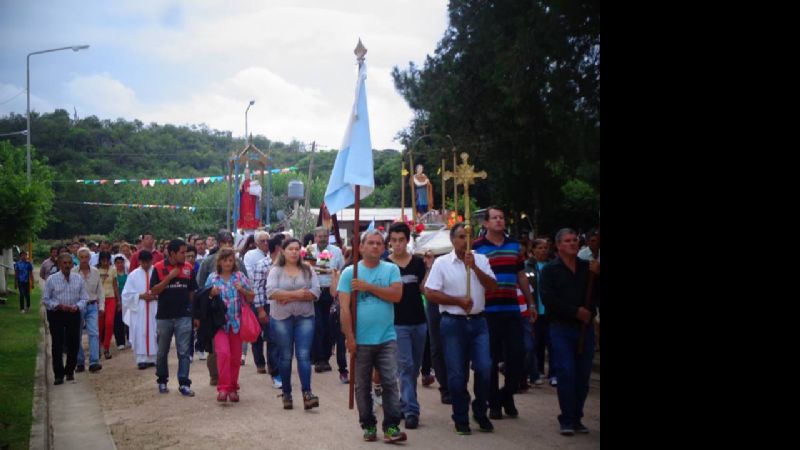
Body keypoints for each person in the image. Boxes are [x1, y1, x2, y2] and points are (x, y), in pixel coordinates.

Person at [425, 223, 497, 435]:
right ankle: (461, 416)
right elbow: (430, 292)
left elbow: (493, 286)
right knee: (457, 374)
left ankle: (480, 410)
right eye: (460, 237)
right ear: (452, 239)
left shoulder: (481, 259)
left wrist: (474, 267)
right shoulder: (441, 263)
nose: (464, 241)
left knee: (485, 368)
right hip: (452, 323)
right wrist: (456, 301)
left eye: (468, 236)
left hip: (478, 322)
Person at [338, 230, 407, 443]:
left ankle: (392, 426)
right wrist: (349, 337)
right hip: (361, 340)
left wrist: (368, 287)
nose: (375, 246)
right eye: (371, 243)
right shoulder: (349, 273)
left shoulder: (391, 269)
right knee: (361, 385)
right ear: (361, 247)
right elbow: (344, 308)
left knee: (389, 381)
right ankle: (368, 425)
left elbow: (396, 295)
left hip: (386, 337)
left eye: (379, 243)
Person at [472, 206, 535, 420]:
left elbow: (521, 276)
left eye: (501, 217)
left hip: (511, 309)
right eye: (494, 218)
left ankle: (506, 393)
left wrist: (531, 302)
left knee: (520, 354)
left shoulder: (514, 246)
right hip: (487, 311)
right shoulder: (477, 247)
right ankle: (494, 403)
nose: (499, 221)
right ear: (486, 223)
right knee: (489, 359)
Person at [541, 228, 600, 436]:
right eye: (568, 241)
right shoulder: (550, 270)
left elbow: (595, 296)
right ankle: (566, 418)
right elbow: (549, 300)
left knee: (583, 375)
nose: (573, 243)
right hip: (561, 328)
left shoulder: (589, 269)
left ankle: (576, 416)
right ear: (558, 245)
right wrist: (576, 312)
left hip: (585, 329)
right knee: (566, 372)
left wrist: (598, 275)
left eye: (575, 240)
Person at [384, 222, 434, 429]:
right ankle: (412, 410)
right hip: (397, 323)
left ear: (407, 240)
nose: (397, 244)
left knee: (413, 368)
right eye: (394, 240)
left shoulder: (417, 263)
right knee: (406, 365)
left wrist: (430, 268)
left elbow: (424, 289)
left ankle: (405, 402)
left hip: (419, 321)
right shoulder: (385, 265)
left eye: (401, 240)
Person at [266, 238, 321, 410]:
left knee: (304, 355)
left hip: (305, 316)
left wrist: (287, 296)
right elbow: (271, 292)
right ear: (283, 251)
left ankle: (307, 393)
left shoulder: (308, 269)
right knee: (285, 356)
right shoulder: (276, 270)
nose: (294, 252)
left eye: (297, 249)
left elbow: (316, 292)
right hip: (281, 318)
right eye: (290, 249)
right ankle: (287, 393)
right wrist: (298, 293)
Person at [205, 248, 255, 402]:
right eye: (225, 260)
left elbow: (251, 297)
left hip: (236, 323)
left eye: (231, 260)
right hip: (219, 324)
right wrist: (210, 294)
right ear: (219, 261)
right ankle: (223, 388)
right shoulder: (212, 278)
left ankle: (233, 387)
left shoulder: (239, 277)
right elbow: (203, 299)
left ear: (234, 262)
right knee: (223, 354)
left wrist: (243, 291)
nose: (228, 263)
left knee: (234, 358)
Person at [150, 239, 198, 397]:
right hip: (164, 317)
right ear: (172, 253)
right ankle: (162, 380)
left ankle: (184, 383)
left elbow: (192, 292)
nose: (186, 256)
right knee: (162, 351)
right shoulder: (158, 268)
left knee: (184, 351)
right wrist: (169, 277)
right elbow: (154, 291)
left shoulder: (189, 268)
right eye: (182, 253)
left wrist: (193, 313)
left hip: (183, 315)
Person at [43, 253, 88, 385]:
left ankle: (69, 371)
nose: (67, 265)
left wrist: (77, 306)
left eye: (70, 263)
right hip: (57, 313)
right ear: (59, 264)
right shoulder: (52, 279)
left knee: (73, 343)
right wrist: (58, 306)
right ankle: (58, 374)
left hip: (73, 313)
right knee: (57, 344)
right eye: (64, 263)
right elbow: (46, 299)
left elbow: (84, 298)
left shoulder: (78, 279)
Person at [308, 226, 345, 375]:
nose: (322, 238)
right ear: (315, 237)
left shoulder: (336, 251)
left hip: (331, 292)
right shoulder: (310, 250)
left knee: (330, 326)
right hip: (315, 291)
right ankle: (318, 358)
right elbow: (306, 268)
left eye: (325, 236)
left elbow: (340, 270)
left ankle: (326, 358)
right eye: (319, 236)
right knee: (318, 326)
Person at [121, 251, 158, 369]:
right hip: (139, 308)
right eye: (143, 262)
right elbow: (126, 294)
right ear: (139, 262)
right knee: (140, 331)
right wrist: (141, 296)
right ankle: (141, 359)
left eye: (148, 262)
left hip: (154, 306)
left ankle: (153, 358)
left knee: (154, 330)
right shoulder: (133, 275)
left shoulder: (157, 272)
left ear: (152, 261)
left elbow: (163, 289)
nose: (146, 265)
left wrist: (155, 296)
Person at [74, 247, 105, 373]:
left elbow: (100, 291)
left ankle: (94, 361)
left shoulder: (95, 272)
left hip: (92, 305)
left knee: (94, 333)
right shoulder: (73, 272)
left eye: (86, 257)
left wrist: (102, 306)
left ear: (90, 258)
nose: (84, 260)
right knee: (77, 334)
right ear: (78, 258)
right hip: (78, 306)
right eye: (81, 257)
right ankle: (80, 361)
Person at [96, 251, 117, 359]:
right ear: (100, 260)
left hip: (111, 298)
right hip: (99, 299)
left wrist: (119, 301)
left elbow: (115, 285)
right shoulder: (95, 270)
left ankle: (106, 347)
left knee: (109, 323)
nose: (105, 262)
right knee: (99, 325)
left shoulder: (113, 269)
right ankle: (97, 347)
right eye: (103, 260)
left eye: (107, 260)